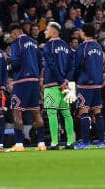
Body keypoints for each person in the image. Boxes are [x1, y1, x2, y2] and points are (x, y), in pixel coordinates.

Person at [8, 26, 45, 151]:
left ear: (15, 32)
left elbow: (16, 63)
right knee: (36, 112)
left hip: (21, 81)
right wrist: (39, 77)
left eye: (11, 35)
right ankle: (41, 143)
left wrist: (9, 65)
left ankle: (19, 144)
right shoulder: (34, 43)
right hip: (34, 81)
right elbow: (40, 63)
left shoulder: (16, 43)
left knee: (17, 111)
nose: (11, 37)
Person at [41, 22, 76, 150]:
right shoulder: (67, 46)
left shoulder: (48, 46)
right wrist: (66, 80)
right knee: (67, 113)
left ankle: (55, 143)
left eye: (47, 29)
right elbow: (72, 66)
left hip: (52, 83)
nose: (45, 32)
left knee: (51, 113)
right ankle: (70, 142)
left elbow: (51, 65)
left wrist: (61, 82)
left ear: (53, 31)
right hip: (68, 85)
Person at [73, 24, 105, 149]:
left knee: (84, 111)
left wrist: (75, 78)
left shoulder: (82, 47)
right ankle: (101, 141)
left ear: (84, 32)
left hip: (85, 84)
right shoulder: (98, 46)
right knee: (97, 111)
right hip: (97, 84)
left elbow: (77, 65)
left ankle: (86, 142)